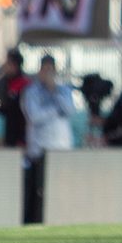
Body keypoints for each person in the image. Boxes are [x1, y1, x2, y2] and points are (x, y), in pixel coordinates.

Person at [20, 54, 75, 224]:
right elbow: (34, 116)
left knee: (61, 189)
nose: (47, 73)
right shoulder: (31, 92)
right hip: (40, 149)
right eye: (44, 69)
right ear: (39, 71)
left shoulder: (64, 90)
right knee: (39, 190)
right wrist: (56, 110)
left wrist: (54, 92)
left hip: (61, 148)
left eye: (50, 70)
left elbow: (70, 110)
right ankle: (36, 222)